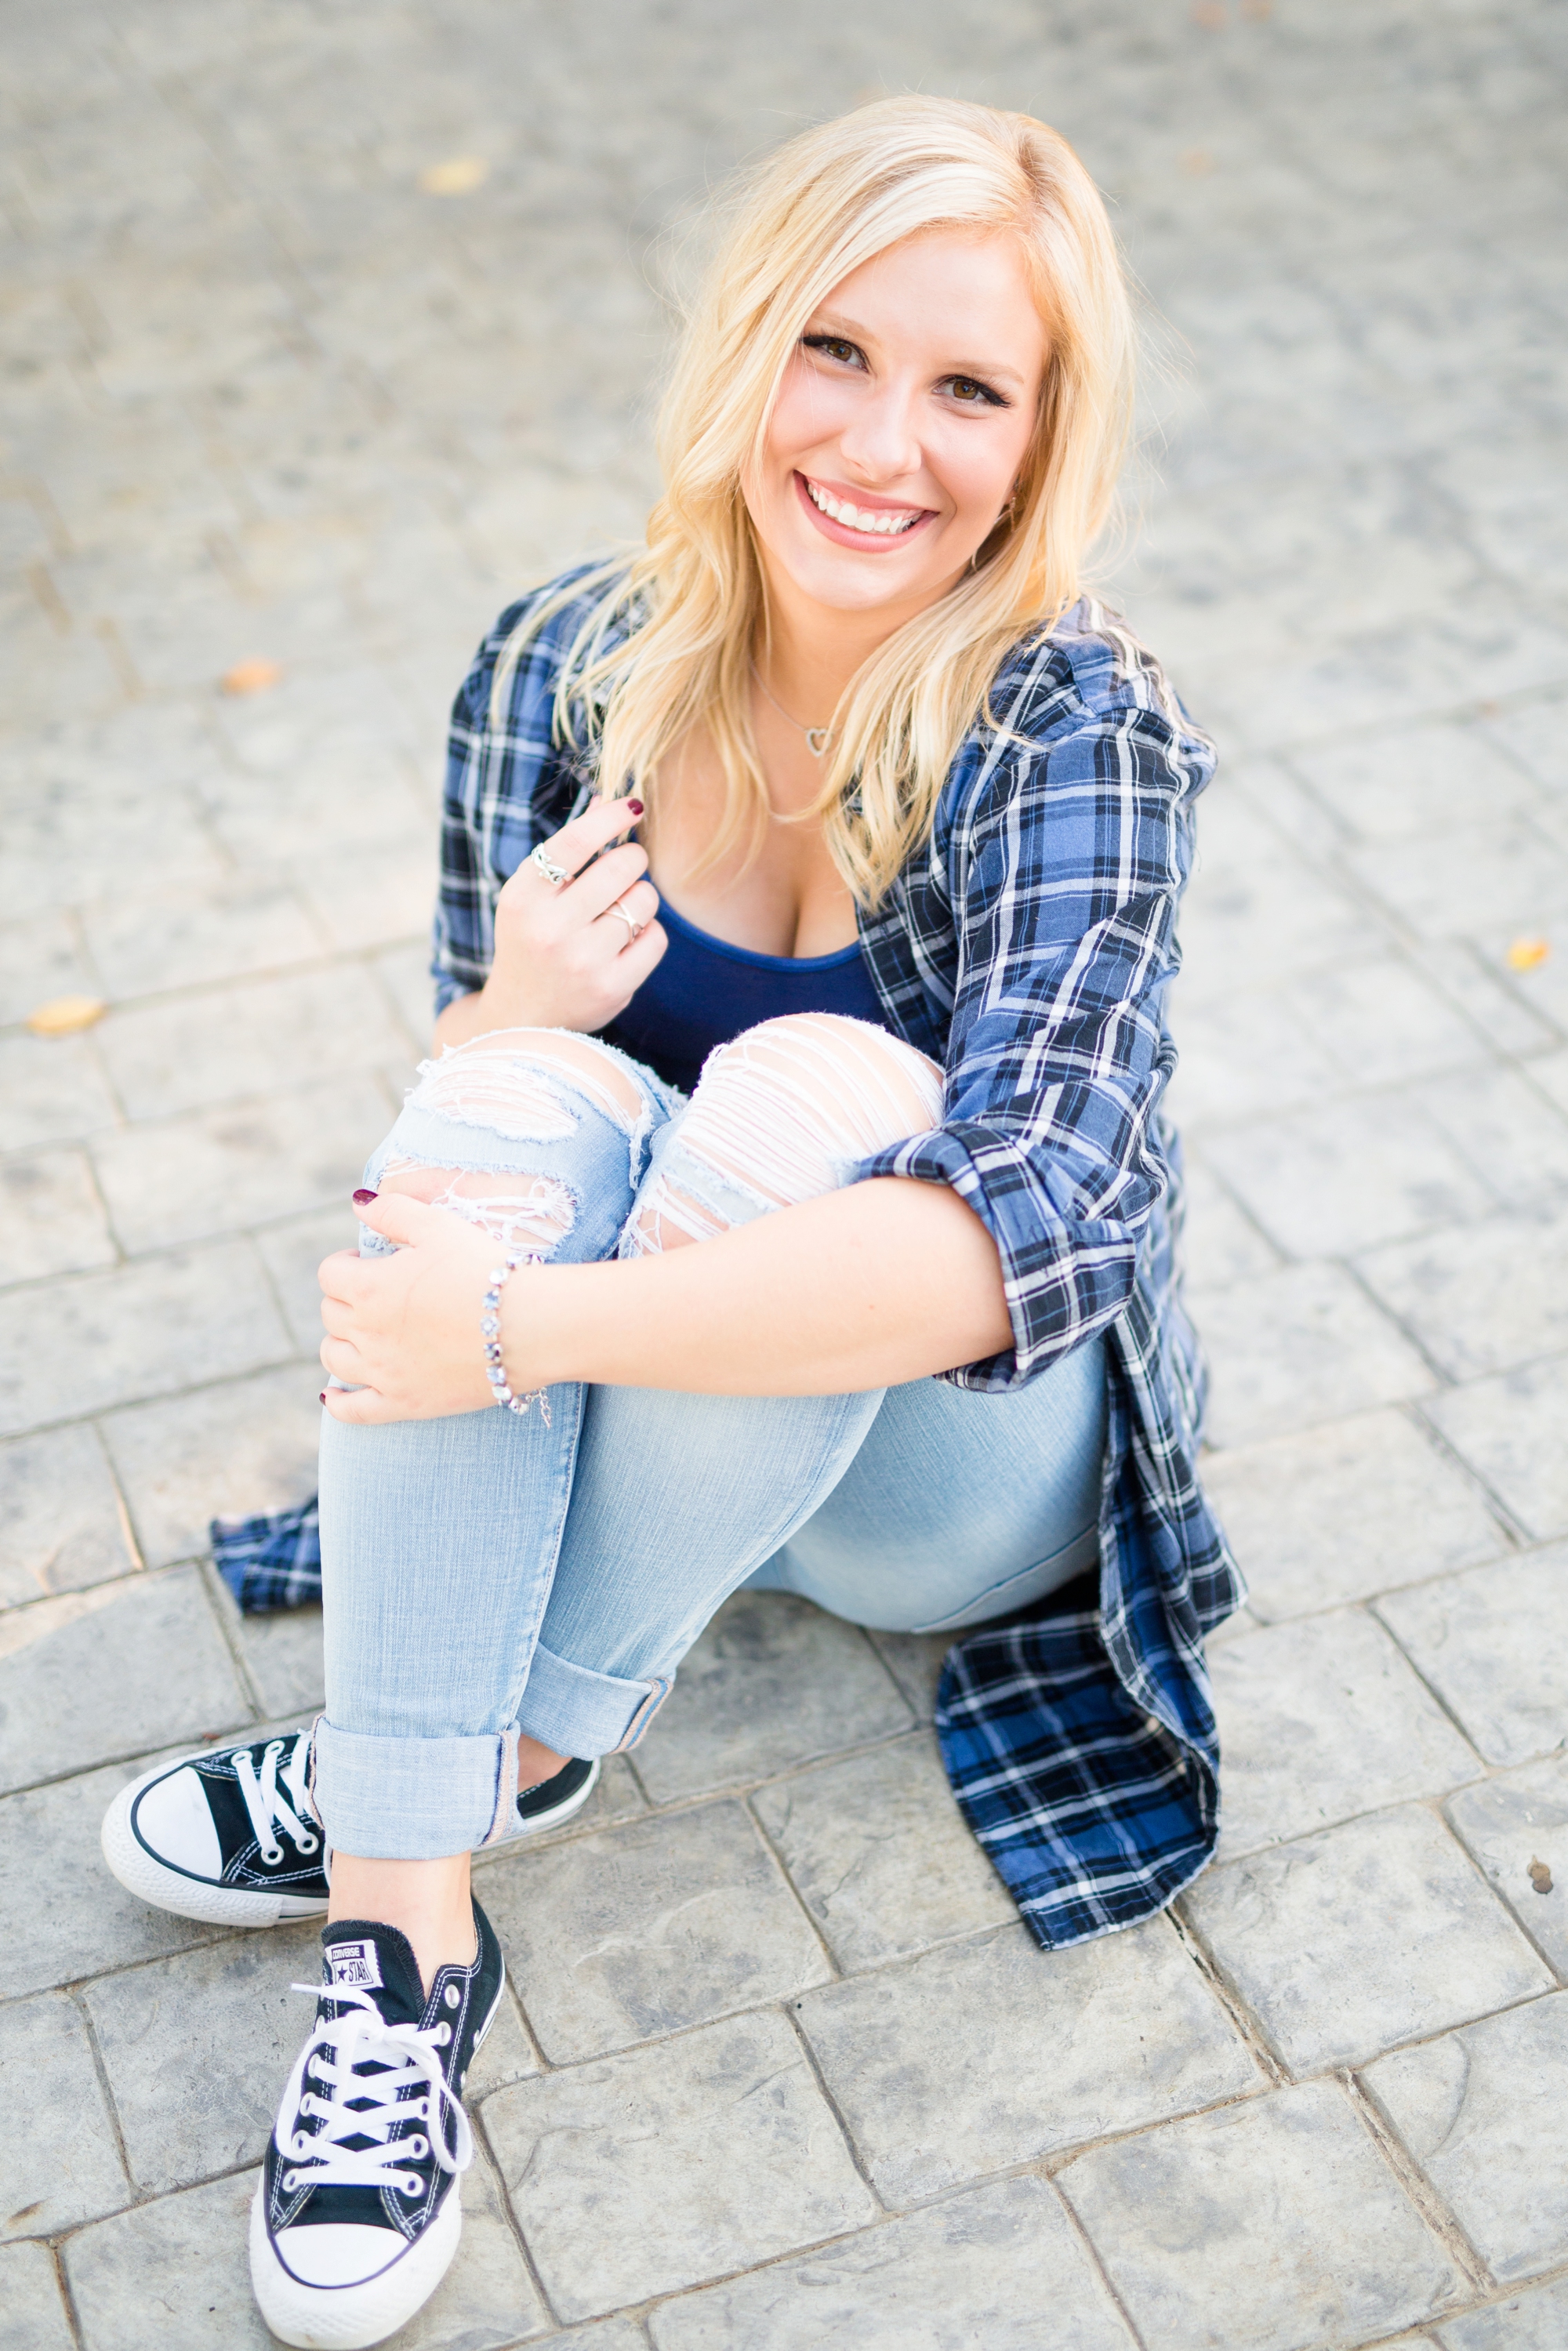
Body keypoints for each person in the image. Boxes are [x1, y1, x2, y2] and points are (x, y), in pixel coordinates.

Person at [100, 95, 1240, 2349]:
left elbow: (1019, 1242)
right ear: (746, 349)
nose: (882, 443)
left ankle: (455, 1741)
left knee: (832, 1096)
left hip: (941, 1482)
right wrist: (505, 1023)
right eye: (835, 349)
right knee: (522, 1065)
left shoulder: (1077, 729)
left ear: (1042, 438)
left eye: (968, 387)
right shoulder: (559, 661)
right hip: (647, 1391)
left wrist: (521, 1333)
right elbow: (470, 1118)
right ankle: (405, 1937)